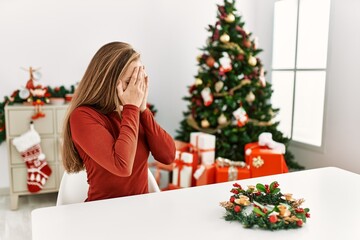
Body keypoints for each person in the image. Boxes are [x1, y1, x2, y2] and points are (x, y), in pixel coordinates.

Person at [62, 42, 176, 201]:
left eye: (140, 81)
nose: (137, 89)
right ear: (108, 81)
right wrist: (132, 108)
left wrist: (143, 110)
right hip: (102, 212)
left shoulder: (134, 112)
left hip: (141, 209)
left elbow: (168, 156)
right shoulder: (82, 116)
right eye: (131, 81)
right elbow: (121, 166)